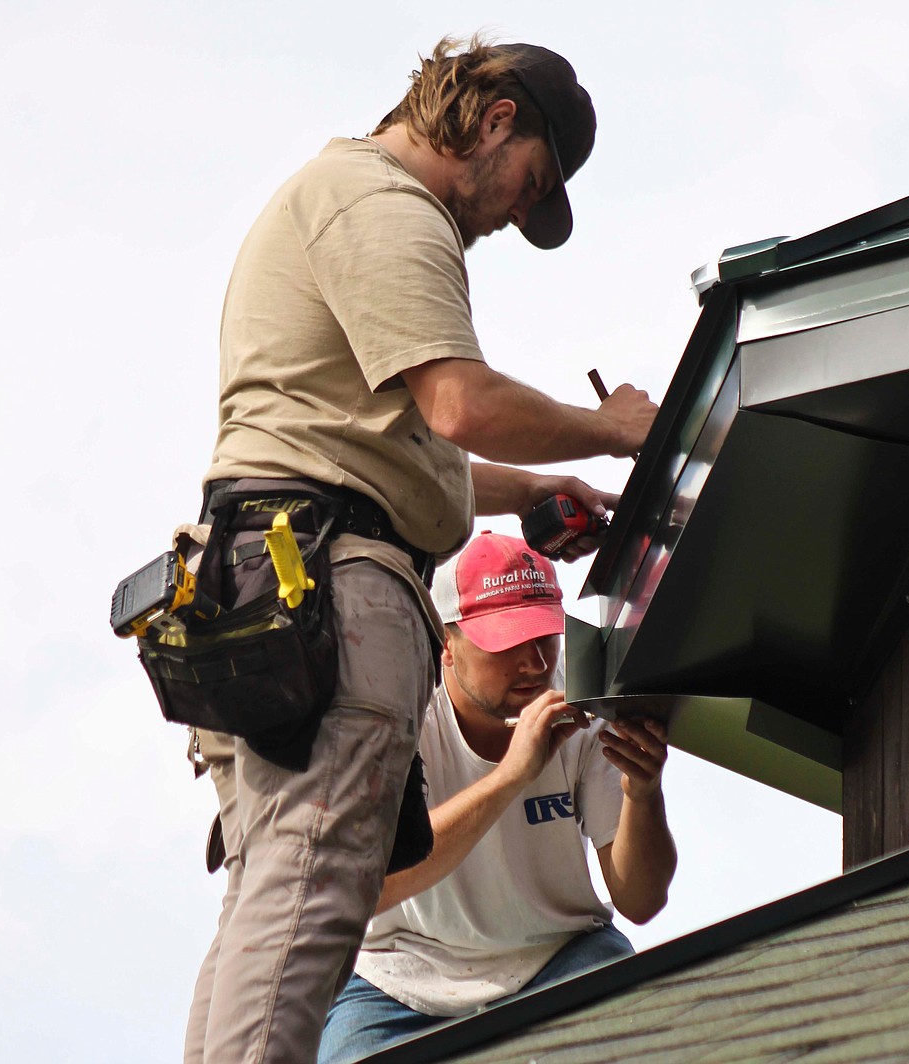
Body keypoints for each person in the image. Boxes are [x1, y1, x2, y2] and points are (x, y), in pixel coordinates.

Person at [182, 34, 660, 1064]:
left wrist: (538, 487)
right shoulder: (385, 206)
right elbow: (460, 402)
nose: (503, 218)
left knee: (274, 885)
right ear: (493, 120)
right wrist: (614, 430)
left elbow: (390, 443)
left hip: (263, 574)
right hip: (329, 579)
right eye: (523, 185)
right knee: (317, 875)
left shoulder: (335, 201)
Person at [317, 532, 677, 1062]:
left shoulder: (586, 701)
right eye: (507, 642)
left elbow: (641, 903)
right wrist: (511, 775)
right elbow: (365, 891)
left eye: (544, 637)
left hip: (560, 953)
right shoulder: (397, 713)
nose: (533, 664)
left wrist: (643, 794)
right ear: (446, 643)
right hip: (402, 977)